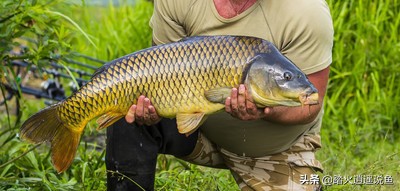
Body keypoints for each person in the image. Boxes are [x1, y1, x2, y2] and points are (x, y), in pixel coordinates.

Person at [105, 0, 333, 190]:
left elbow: (310, 104)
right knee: (128, 108)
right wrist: (153, 107)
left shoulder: (306, 12)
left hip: (274, 150)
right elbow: (161, 72)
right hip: (200, 131)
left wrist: (264, 111)